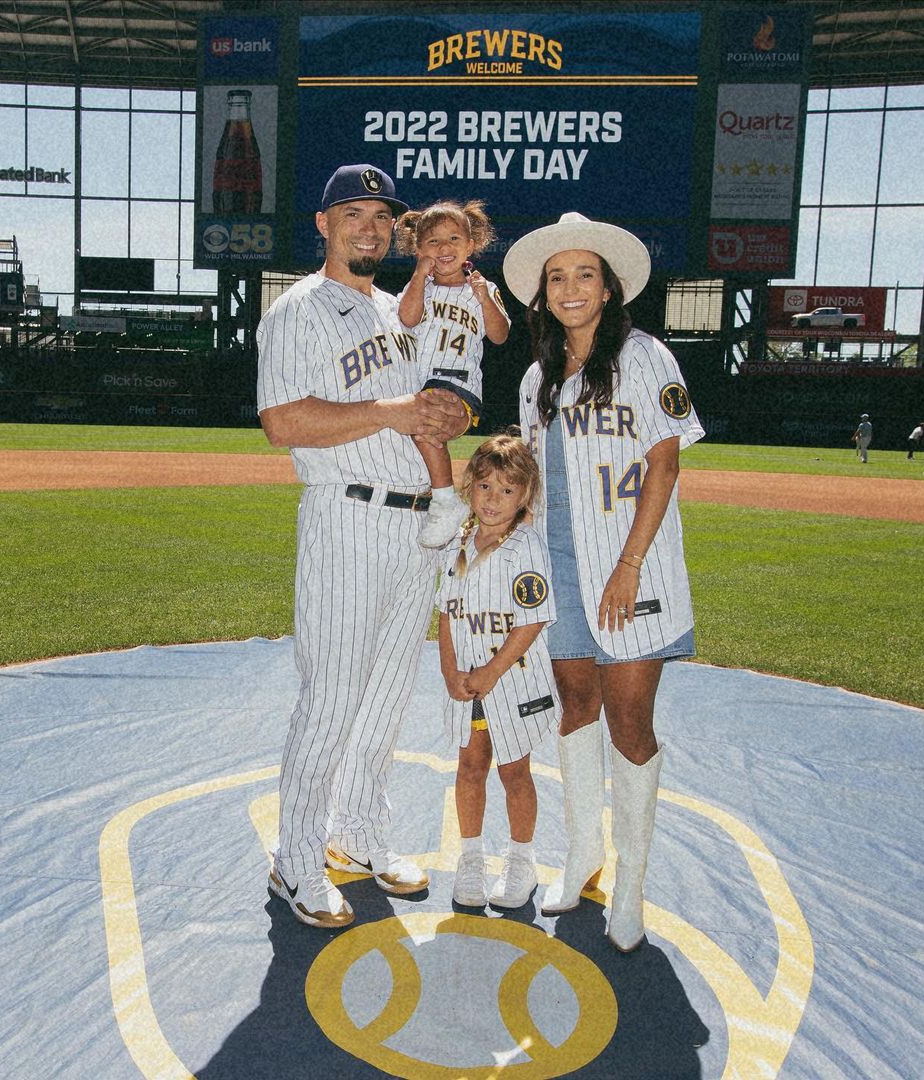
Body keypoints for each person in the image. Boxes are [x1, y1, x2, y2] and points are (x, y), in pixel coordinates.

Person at [256, 164, 469, 929]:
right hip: (347, 519)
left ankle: (360, 833)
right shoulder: (297, 311)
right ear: (324, 225)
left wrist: (442, 416)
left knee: (383, 702)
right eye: (354, 212)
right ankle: (297, 857)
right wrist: (394, 409)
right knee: (332, 701)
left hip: (417, 525)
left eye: (383, 216)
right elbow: (283, 422)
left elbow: (425, 411)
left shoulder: (401, 311)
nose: (371, 227)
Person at [504, 212, 705, 952]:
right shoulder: (535, 377)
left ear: (610, 286)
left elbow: (666, 465)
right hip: (556, 567)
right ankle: (583, 854)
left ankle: (631, 884)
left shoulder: (647, 356)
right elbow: (531, 480)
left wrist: (625, 567)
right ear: (543, 294)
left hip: (632, 568)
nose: (570, 288)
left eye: (585, 273)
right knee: (575, 707)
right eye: (557, 277)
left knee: (629, 720)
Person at [437, 433, 559, 909]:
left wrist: (490, 672)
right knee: (470, 767)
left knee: (513, 771)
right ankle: (470, 858)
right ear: (471, 487)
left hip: (512, 680)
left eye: (508, 491)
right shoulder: (458, 539)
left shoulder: (527, 546)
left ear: (525, 496)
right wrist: (450, 669)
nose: (494, 500)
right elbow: (445, 612)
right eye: (485, 487)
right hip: (468, 682)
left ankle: (521, 860)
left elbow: (531, 621)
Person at [395, 199, 511, 547]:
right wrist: (419, 274)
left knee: (427, 426)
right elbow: (407, 318)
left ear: (470, 244)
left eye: (454, 239)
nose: (444, 248)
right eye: (433, 242)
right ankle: (439, 499)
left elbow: (500, 335)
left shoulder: (483, 288)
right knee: (418, 435)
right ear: (419, 249)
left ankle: (446, 501)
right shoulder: (423, 288)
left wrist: (484, 298)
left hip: (458, 382)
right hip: (418, 381)